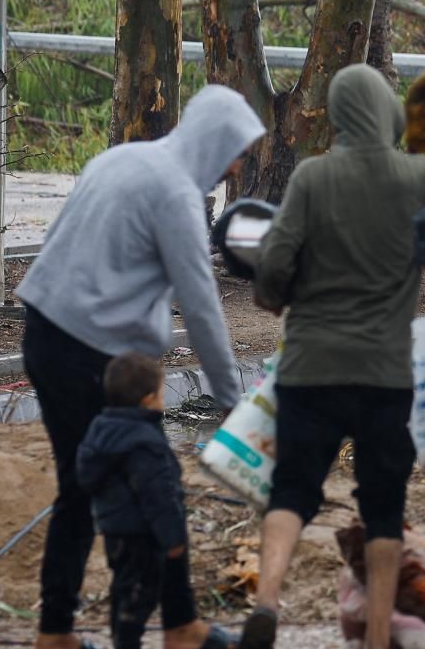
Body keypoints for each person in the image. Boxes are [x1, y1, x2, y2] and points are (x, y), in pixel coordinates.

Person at [16, 85, 264, 649]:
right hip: (92, 357)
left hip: (45, 336)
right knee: (152, 482)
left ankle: (60, 631)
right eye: (237, 152)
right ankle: (174, 626)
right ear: (215, 142)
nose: (235, 165)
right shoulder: (175, 193)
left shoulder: (124, 158)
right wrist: (234, 401)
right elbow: (199, 303)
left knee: (80, 487)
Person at [242, 64, 425, 649]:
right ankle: (379, 633)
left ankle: (267, 601)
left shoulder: (312, 177)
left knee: (293, 488)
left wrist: (272, 295)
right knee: (383, 504)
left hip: (311, 366)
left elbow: (276, 263)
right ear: (385, 110)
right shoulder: (419, 177)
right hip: (385, 372)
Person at [75, 354, 234, 649]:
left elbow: (85, 476)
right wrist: (174, 538)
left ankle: (125, 639)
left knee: (124, 590)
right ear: (149, 399)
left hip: (114, 532)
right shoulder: (145, 443)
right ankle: (127, 643)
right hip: (144, 536)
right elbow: (158, 497)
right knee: (140, 596)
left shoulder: (100, 430)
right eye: (161, 393)